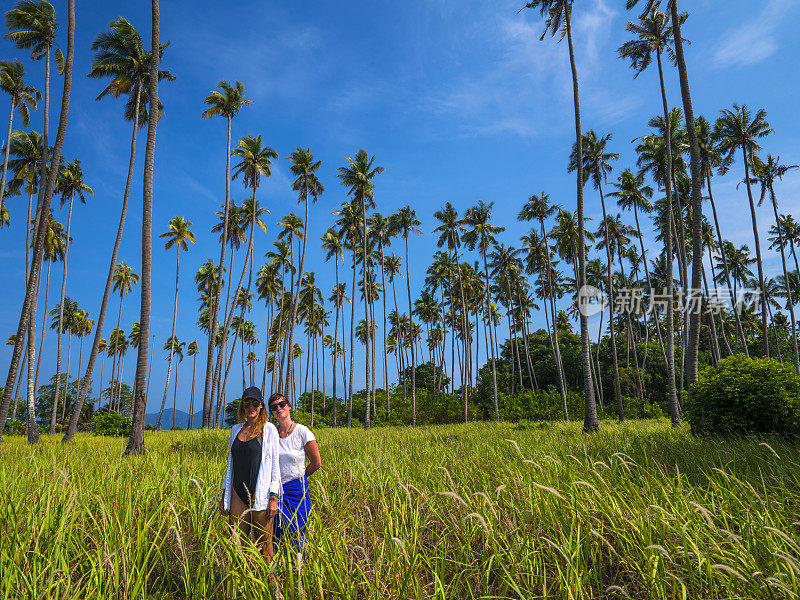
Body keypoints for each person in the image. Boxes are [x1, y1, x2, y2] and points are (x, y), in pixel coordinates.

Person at [219, 386, 281, 558]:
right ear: (243, 407)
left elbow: (275, 466)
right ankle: (241, 583)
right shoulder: (235, 430)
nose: (251, 407)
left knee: (265, 548)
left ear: (261, 405)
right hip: (237, 494)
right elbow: (231, 464)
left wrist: (274, 497)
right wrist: (225, 494)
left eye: (255, 403)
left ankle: (269, 583)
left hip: (260, 494)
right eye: (247, 403)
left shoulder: (268, 429)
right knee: (237, 547)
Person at [268, 392, 322, 553]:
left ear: (289, 406)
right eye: (274, 407)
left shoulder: (302, 432)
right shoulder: (271, 434)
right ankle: (278, 571)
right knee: (274, 535)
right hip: (275, 491)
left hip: (297, 490)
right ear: (271, 412)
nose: (279, 408)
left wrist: (299, 477)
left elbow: (316, 463)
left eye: (282, 404)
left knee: (298, 534)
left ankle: (298, 570)